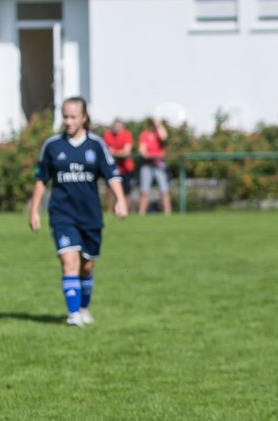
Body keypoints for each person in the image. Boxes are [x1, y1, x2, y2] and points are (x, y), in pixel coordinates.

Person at [28, 97, 127, 326]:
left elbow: (112, 175)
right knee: (69, 262)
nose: (68, 121)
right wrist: (34, 211)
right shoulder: (52, 146)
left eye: (73, 117)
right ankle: (73, 315)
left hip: (90, 216)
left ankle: (83, 307)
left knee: (87, 265)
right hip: (62, 214)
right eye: (65, 116)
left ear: (84, 118)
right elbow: (41, 180)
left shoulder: (96, 145)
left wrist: (120, 200)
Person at [137, 116, 172, 215]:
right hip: (147, 165)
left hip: (159, 165)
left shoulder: (158, 134)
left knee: (164, 190)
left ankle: (168, 214)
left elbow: (164, 136)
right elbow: (142, 151)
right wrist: (149, 155)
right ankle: (141, 214)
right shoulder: (144, 135)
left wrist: (159, 124)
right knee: (144, 191)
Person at [102, 118, 135, 213]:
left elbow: (126, 152)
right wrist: (119, 152)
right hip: (112, 167)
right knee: (110, 191)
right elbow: (106, 151)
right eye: (115, 126)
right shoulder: (107, 135)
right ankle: (110, 211)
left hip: (126, 168)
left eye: (119, 127)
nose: (117, 128)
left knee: (127, 191)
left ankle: (126, 210)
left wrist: (115, 152)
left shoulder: (127, 134)